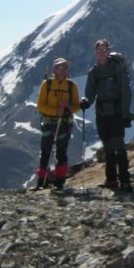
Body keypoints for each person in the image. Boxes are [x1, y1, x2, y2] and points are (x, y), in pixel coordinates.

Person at [80, 39, 134, 192]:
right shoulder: (93, 72)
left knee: (118, 145)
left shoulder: (117, 67)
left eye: (104, 50)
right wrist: (85, 102)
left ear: (109, 51)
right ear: (95, 53)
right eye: (99, 50)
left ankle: (125, 180)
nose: (102, 53)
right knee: (108, 146)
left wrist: (125, 113)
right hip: (102, 113)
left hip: (116, 112)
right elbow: (89, 94)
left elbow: (125, 90)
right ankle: (111, 180)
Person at [35, 57, 81, 190]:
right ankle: (42, 181)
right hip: (50, 121)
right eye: (60, 67)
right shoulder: (46, 84)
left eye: (65, 67)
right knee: (46, 151)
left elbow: (76, 106)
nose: (63, 70)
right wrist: (56, 111)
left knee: (61, 152)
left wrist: (66, 106)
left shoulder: (72, 86)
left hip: (64, 122)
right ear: (54, 69)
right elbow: (40, 105)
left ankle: (59, 181)